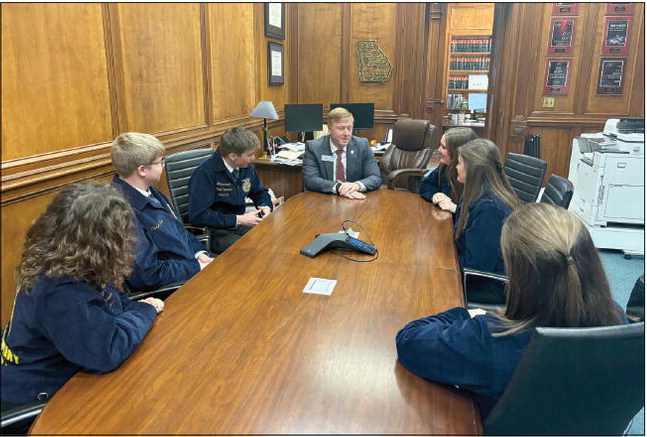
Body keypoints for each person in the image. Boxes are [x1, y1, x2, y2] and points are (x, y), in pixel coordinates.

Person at [396, 202, 628, 419]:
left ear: (518, 273)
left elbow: (409, 340)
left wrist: (468, 314)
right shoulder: (619, 322)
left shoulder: (493, 337)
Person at [1, 183, 164, 430]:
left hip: (57, 369)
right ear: (102, 240)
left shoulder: (67, 258)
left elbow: (114, 306)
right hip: (36, 402)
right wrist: (145, 310)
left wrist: (130, 313)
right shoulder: (62, 289)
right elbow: (107, 351)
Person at [111, 133, 213, 292]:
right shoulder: (121, 210)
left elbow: (179, 230)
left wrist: (198, 253)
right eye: (160, 162)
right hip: (173, 288)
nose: (163, 166)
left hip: (189, 268)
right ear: (143, 170)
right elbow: (146, 274)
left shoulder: (151, 191)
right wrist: (195, 267)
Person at [452, 139, 519, 304]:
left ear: (473, 170)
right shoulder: (478, 194)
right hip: (479, 276)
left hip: (491, 285)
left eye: (460, 164)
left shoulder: (490, 210)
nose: (456, 167)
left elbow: (476, 268)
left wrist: (442, 263)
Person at [189, 127, 273, 254]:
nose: (253, 158)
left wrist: (265, 206)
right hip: (216, 230)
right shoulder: (204, 174)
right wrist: (239, 219)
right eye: (249, 155)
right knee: (250, 251)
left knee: (272, 239)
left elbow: (260, 192)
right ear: (232, 156)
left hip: (239, 223)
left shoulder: (245, 167)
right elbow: (199, 216)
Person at [302, 107, 381, 199]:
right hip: (324, 197)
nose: (346, 133)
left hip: (355, 197)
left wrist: (356, 185)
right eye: (341, 128)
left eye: (349, 128)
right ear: (329, 129)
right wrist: (338, 188)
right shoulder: (314, 147)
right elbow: (310, 179)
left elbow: (375, 177)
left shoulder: (362, 145)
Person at [420, 127, 477, 212]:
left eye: (443, 147)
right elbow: (424, 183)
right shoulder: (439, 161)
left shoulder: (477, 174)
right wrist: (435, 194)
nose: (438, 150)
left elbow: (479, 214)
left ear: (457, 151)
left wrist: (455, 208)